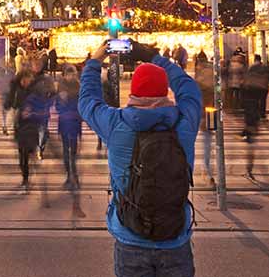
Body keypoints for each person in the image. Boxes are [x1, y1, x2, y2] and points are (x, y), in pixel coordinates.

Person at [79, 40, 200, 277]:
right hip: (175, 237)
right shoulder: (184, 121)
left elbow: (87, 101)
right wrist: (152, 56)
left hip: (131, 237)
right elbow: (189, 88)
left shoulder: (117, 123)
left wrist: (95, 61)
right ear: (165, 90)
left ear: (133, 90)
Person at [56, 67, 83, 189]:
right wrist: (62, 101)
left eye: (73, 75)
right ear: (65, 75)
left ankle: (74, 177)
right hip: (65, 123)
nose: (71, 77)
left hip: (74, 123)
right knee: (66, 151)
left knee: (73, 152)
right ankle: (69, 176)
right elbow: (57, 106)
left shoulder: (78, 88)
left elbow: (81, 106)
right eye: (69, 75)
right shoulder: (61, 88)